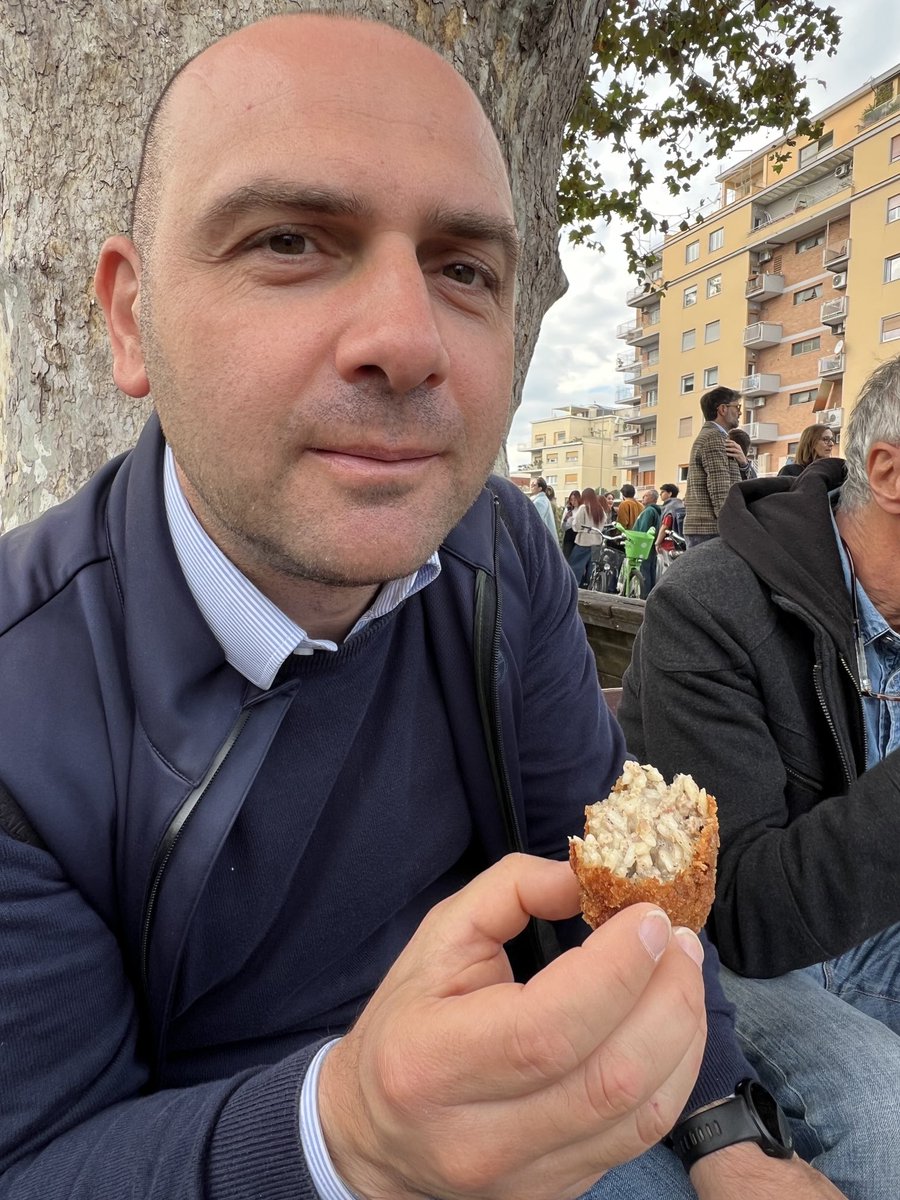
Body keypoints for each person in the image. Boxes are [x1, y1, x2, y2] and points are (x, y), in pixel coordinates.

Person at [0, 14, 842, 1200]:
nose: (406, 343)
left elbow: (608, 857)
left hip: (544, 1043)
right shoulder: (22, 707)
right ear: (130, 316)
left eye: (462, 270)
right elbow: (36, 1159)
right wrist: (347, 1135)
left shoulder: (504, 554)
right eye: (290, 239)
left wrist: (724, 1134)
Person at [619, 354, 900, 1199]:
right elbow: (741, 915)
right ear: (890, 471)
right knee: (879, 1108)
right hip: (741, 952)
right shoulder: (712, 608)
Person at [683, 386, 744, 547]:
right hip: (710, 530)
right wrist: (732, 528)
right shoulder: (714, 438)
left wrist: (743, 463)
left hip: (706, 529)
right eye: (737, 407)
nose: (740, 413)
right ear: (723, 409)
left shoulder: (715, 437)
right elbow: (720, 489)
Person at [569, 486, 608, 588]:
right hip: (597, 542)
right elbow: (603, 525)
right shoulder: (600, 510)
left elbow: (577, 526)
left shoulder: (584, 508)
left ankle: (573, 587)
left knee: (576, 567)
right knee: (592, 569)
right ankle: (590, 588)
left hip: (584, 542)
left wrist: (572, 523)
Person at [632, 487, 661, 596]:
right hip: (651, 545)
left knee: (644, 570)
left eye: (646, 496)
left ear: (652, 498)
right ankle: (651, 594)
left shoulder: (648, 511)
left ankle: (645, 594)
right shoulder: (656, 511)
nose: (643, 497)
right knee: (651, 570)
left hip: (644, 545)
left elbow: (643, 529)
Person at [656, 482, 686, 576]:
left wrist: (657, 542)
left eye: (663, 492)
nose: (660, 494)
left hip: (669, 545)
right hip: (680, 543)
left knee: (666, 571)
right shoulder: (680, 505)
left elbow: (665, 526)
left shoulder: (670, 507)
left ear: (670, 493)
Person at [561, 489, 582, 559]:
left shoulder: (582, 509)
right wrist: (566, 519)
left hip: (578, 535)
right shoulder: (568, 509)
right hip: (569, 535)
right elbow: (563, 527)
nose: (573, 502)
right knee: (567, 556)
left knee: (576, 558)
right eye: (571, 500)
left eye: (575, 499)